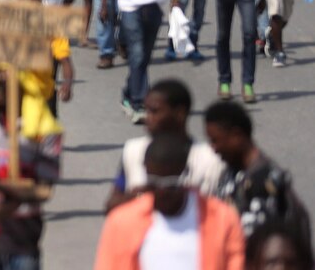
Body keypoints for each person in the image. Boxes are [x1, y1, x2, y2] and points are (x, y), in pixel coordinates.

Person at [94, 132, 246, 270]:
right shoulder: (122, 223)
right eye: (155, 183)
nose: (163, 191)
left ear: (186, 174)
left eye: (171, 183)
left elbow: (236, 262)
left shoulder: (222, 219)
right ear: (146, 175)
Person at [106, 79, 226, 210]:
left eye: (155, 111)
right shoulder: (133, 150)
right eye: (146, 111)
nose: (147, 118)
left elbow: (220, 212)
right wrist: (141, 196)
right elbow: (111, 206)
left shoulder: (211, 160)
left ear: (180, 113)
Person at [205, 101, 312, 247]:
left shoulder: (261, 182)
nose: (213, 148)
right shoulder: (233, 170)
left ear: (236, 135)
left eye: (216, 141)